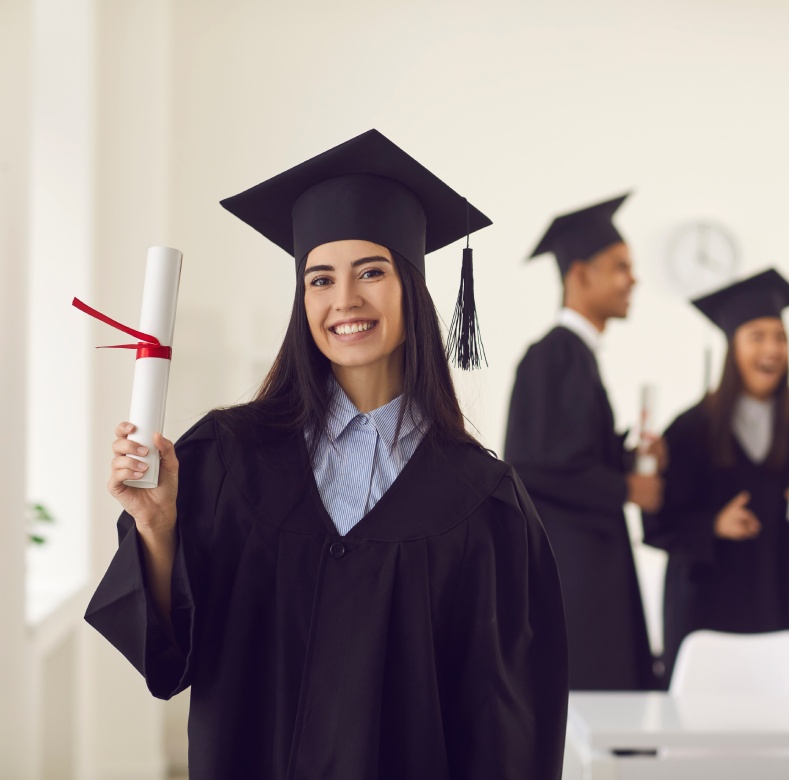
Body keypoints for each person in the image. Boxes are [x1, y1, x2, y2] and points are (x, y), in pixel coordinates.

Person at [85, 130, 569, 779]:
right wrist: (156, 526)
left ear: (411, 290)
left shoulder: (483, 499)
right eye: (320, 279)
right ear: (302, 299)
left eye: (371, 271)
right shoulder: (227, 458)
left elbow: (510, 722)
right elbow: (170, 661)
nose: (344, 299)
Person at [643, 269, 789, 681]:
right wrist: (713, 525)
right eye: (757, 337)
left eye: (780, 337)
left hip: (782, 600)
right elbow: (658, 523)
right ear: (733, 348)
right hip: (704, 609)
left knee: (788, 723)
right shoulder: (692, 428)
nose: (773, 348)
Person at [504, 193, 661, 690]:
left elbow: (569, 452)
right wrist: (626, 489)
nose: (633, 280)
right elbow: (535, 468)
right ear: (580, 275)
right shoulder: (554, 356)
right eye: (620, 267)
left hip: (590, 564)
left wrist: (629, 456)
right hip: (576, 573)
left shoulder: (576, 356)